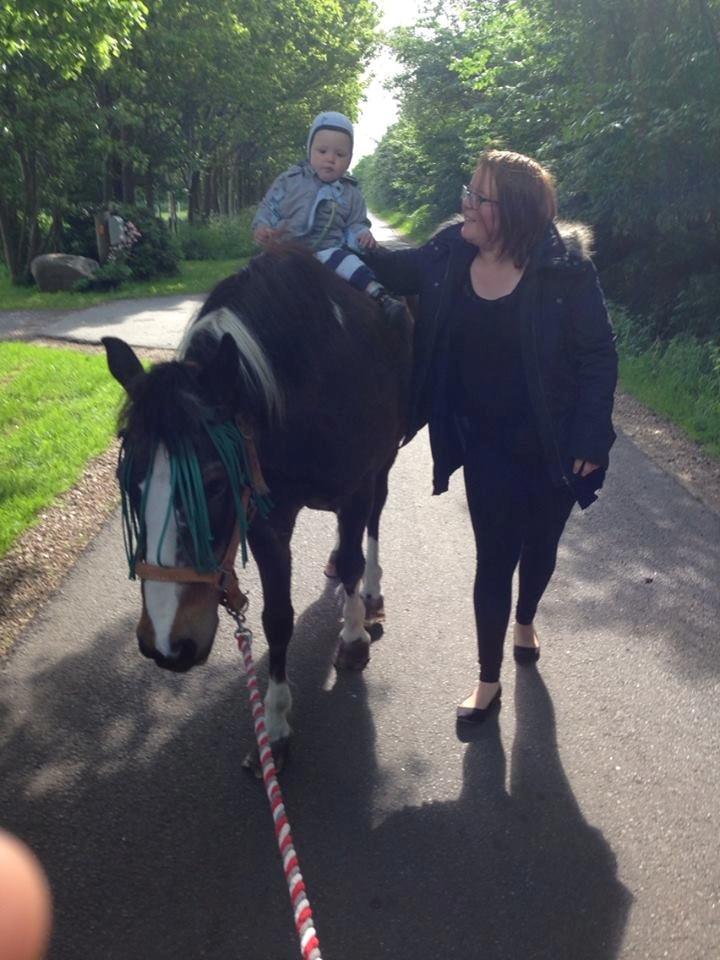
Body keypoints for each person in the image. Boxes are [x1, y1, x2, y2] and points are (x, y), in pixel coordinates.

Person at [365, 149, 618, 722]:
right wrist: (344, 239)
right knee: (493, 558)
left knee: (541, 548)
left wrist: (590, 436)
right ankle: (487, 679)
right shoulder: (452, 251)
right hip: (485, 443)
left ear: (518, 214)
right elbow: (396, 270)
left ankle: (526, 616)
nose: (466, 206)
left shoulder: (566, 270)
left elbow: (599, 354)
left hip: (554, 443)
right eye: (468, 192)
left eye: (480, 198)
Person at [251, 110, 407, 324]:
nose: (330, 159)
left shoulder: (350, 191)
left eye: (340, 154)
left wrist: (362, 234)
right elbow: (269, 207)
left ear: (350, 159)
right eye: (322, 151)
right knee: (253, 276)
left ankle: (380, 296)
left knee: (352, 266)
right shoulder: (289, 180)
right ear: (309, 150)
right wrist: (263, 227)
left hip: (329, 250)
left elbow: (355, 222)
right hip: (286, 250)